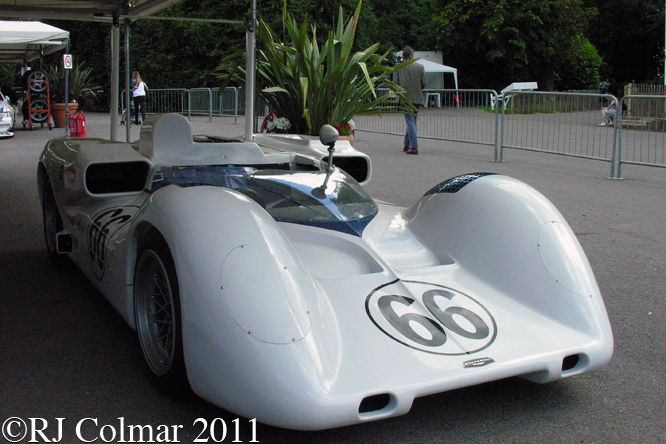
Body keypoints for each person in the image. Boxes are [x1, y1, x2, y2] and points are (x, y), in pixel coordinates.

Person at [394, 46, 426, 155]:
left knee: (410, 121)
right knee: (412, 121)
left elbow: (395, 83)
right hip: (418, 98)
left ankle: (414, 146)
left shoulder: (398, 68)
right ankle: (407, 144)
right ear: (412, 55)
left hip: (405, 98)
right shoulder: (420, 67)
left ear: (403, 56)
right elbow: (424, 83)